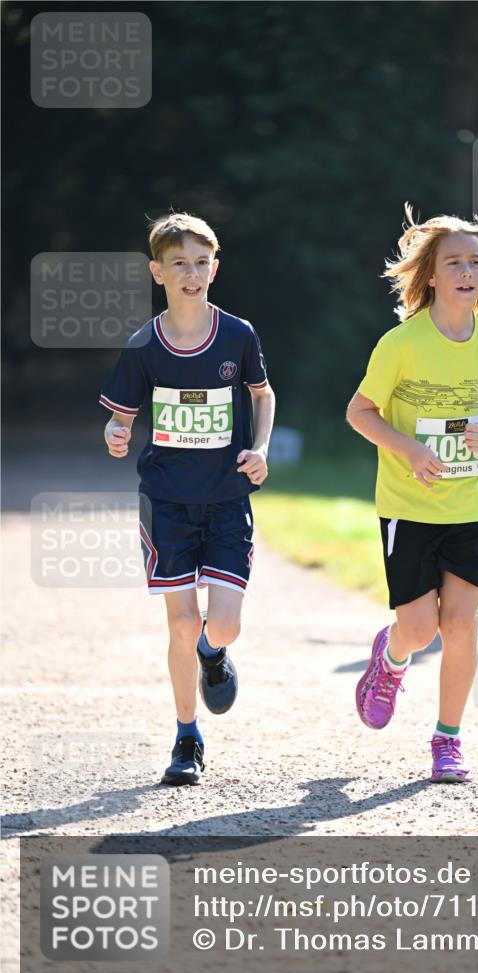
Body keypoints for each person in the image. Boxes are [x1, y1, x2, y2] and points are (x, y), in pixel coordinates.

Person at [347, 204, 478, 783]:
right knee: (420, 628)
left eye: (474, 261)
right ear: (430, 275)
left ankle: (447, 739)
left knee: (461, 624)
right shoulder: (401, 343)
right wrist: (409, 449)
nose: (467, 271)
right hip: (409, 505)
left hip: (471, 502)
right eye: (454, 262)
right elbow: (359, 412)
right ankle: (392, 657)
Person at [99, 212, 275, 785]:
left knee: (223, 625)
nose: (191, 273)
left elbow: (263, 394)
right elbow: (121, 418)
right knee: (179, 623)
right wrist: (116, 433)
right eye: (179, 264)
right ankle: (186, 737)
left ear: (214, 269)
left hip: (226, 499)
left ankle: (213, 652)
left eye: (201, 263)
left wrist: (261, 448)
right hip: (167, 501)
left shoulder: (238, 335)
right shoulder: (143, 345)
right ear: (158, 272)